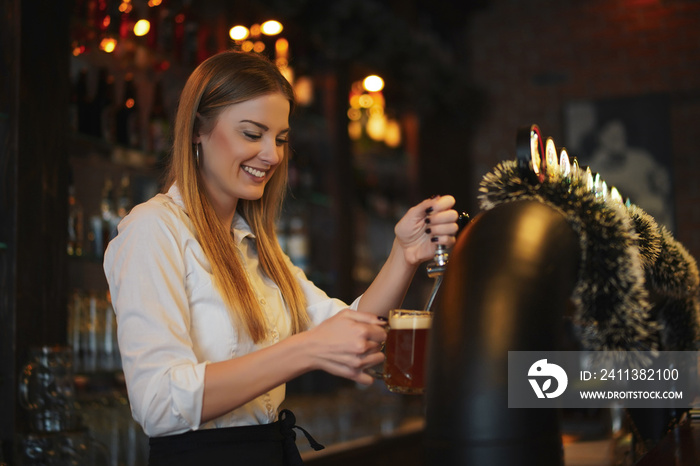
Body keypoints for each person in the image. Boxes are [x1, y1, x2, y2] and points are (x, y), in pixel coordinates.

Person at [103, 50, 458, 466]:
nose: (272, 155)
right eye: (253, 134)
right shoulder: (153, 230)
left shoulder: (256, 245)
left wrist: (404, 254)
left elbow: (348, 328)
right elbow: (158, 403)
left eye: (281, 138)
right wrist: (306, 350)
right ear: (199, 128)